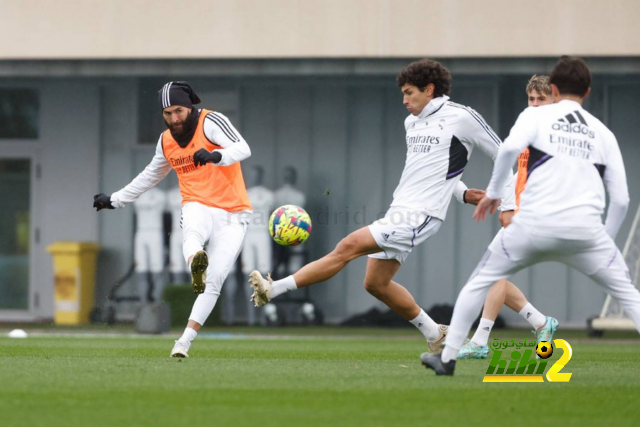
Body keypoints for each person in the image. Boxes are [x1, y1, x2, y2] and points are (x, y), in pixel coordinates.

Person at [249, 59, 516, 353]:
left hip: (422, 216)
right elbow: (434, 169)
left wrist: (508, 204)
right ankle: (435, 334)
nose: (404, 100)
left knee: (348, 246)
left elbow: (503, 154)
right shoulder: (411, 122)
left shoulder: (462, 117)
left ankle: (274, 289)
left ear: (429, 89)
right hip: (398, 210)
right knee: (376, 283)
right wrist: (462, 193)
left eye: (409, 92)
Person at [423, 56, 640, 376]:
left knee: (478, 281)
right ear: (588, 91)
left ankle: (448, 359)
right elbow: (621, 198)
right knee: (628, 295)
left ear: (553, 88)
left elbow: (506, 151)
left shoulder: (534, 119)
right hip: (586, 232)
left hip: (533, 225)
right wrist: (603, 240)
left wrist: (494, 194)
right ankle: (508, 331)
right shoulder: (603, 133)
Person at [93, 81, 252, 358]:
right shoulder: (166, 140)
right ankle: (196, 264)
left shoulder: (210, 121)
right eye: (167, 113)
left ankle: (184, 341)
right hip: (197, 203)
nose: (174, 118)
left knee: (215, 280)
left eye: (178, 111)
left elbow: (242, 148)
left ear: (189, 107)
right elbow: (151, 174)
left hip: (234, 212)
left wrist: (217, 155)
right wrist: (115, 199)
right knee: (191, 232)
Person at [457, 75, 557, 359]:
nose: (535, 104)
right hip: (523, 215)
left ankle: (479, 341)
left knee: (491, 272)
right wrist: (506, 203)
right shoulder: (529, 132)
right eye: (532, 99)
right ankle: (540, 322)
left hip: (537, 217)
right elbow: (519, 175)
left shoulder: (556, 136)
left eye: (542, 99)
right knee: (492, 274)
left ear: (554, 101)